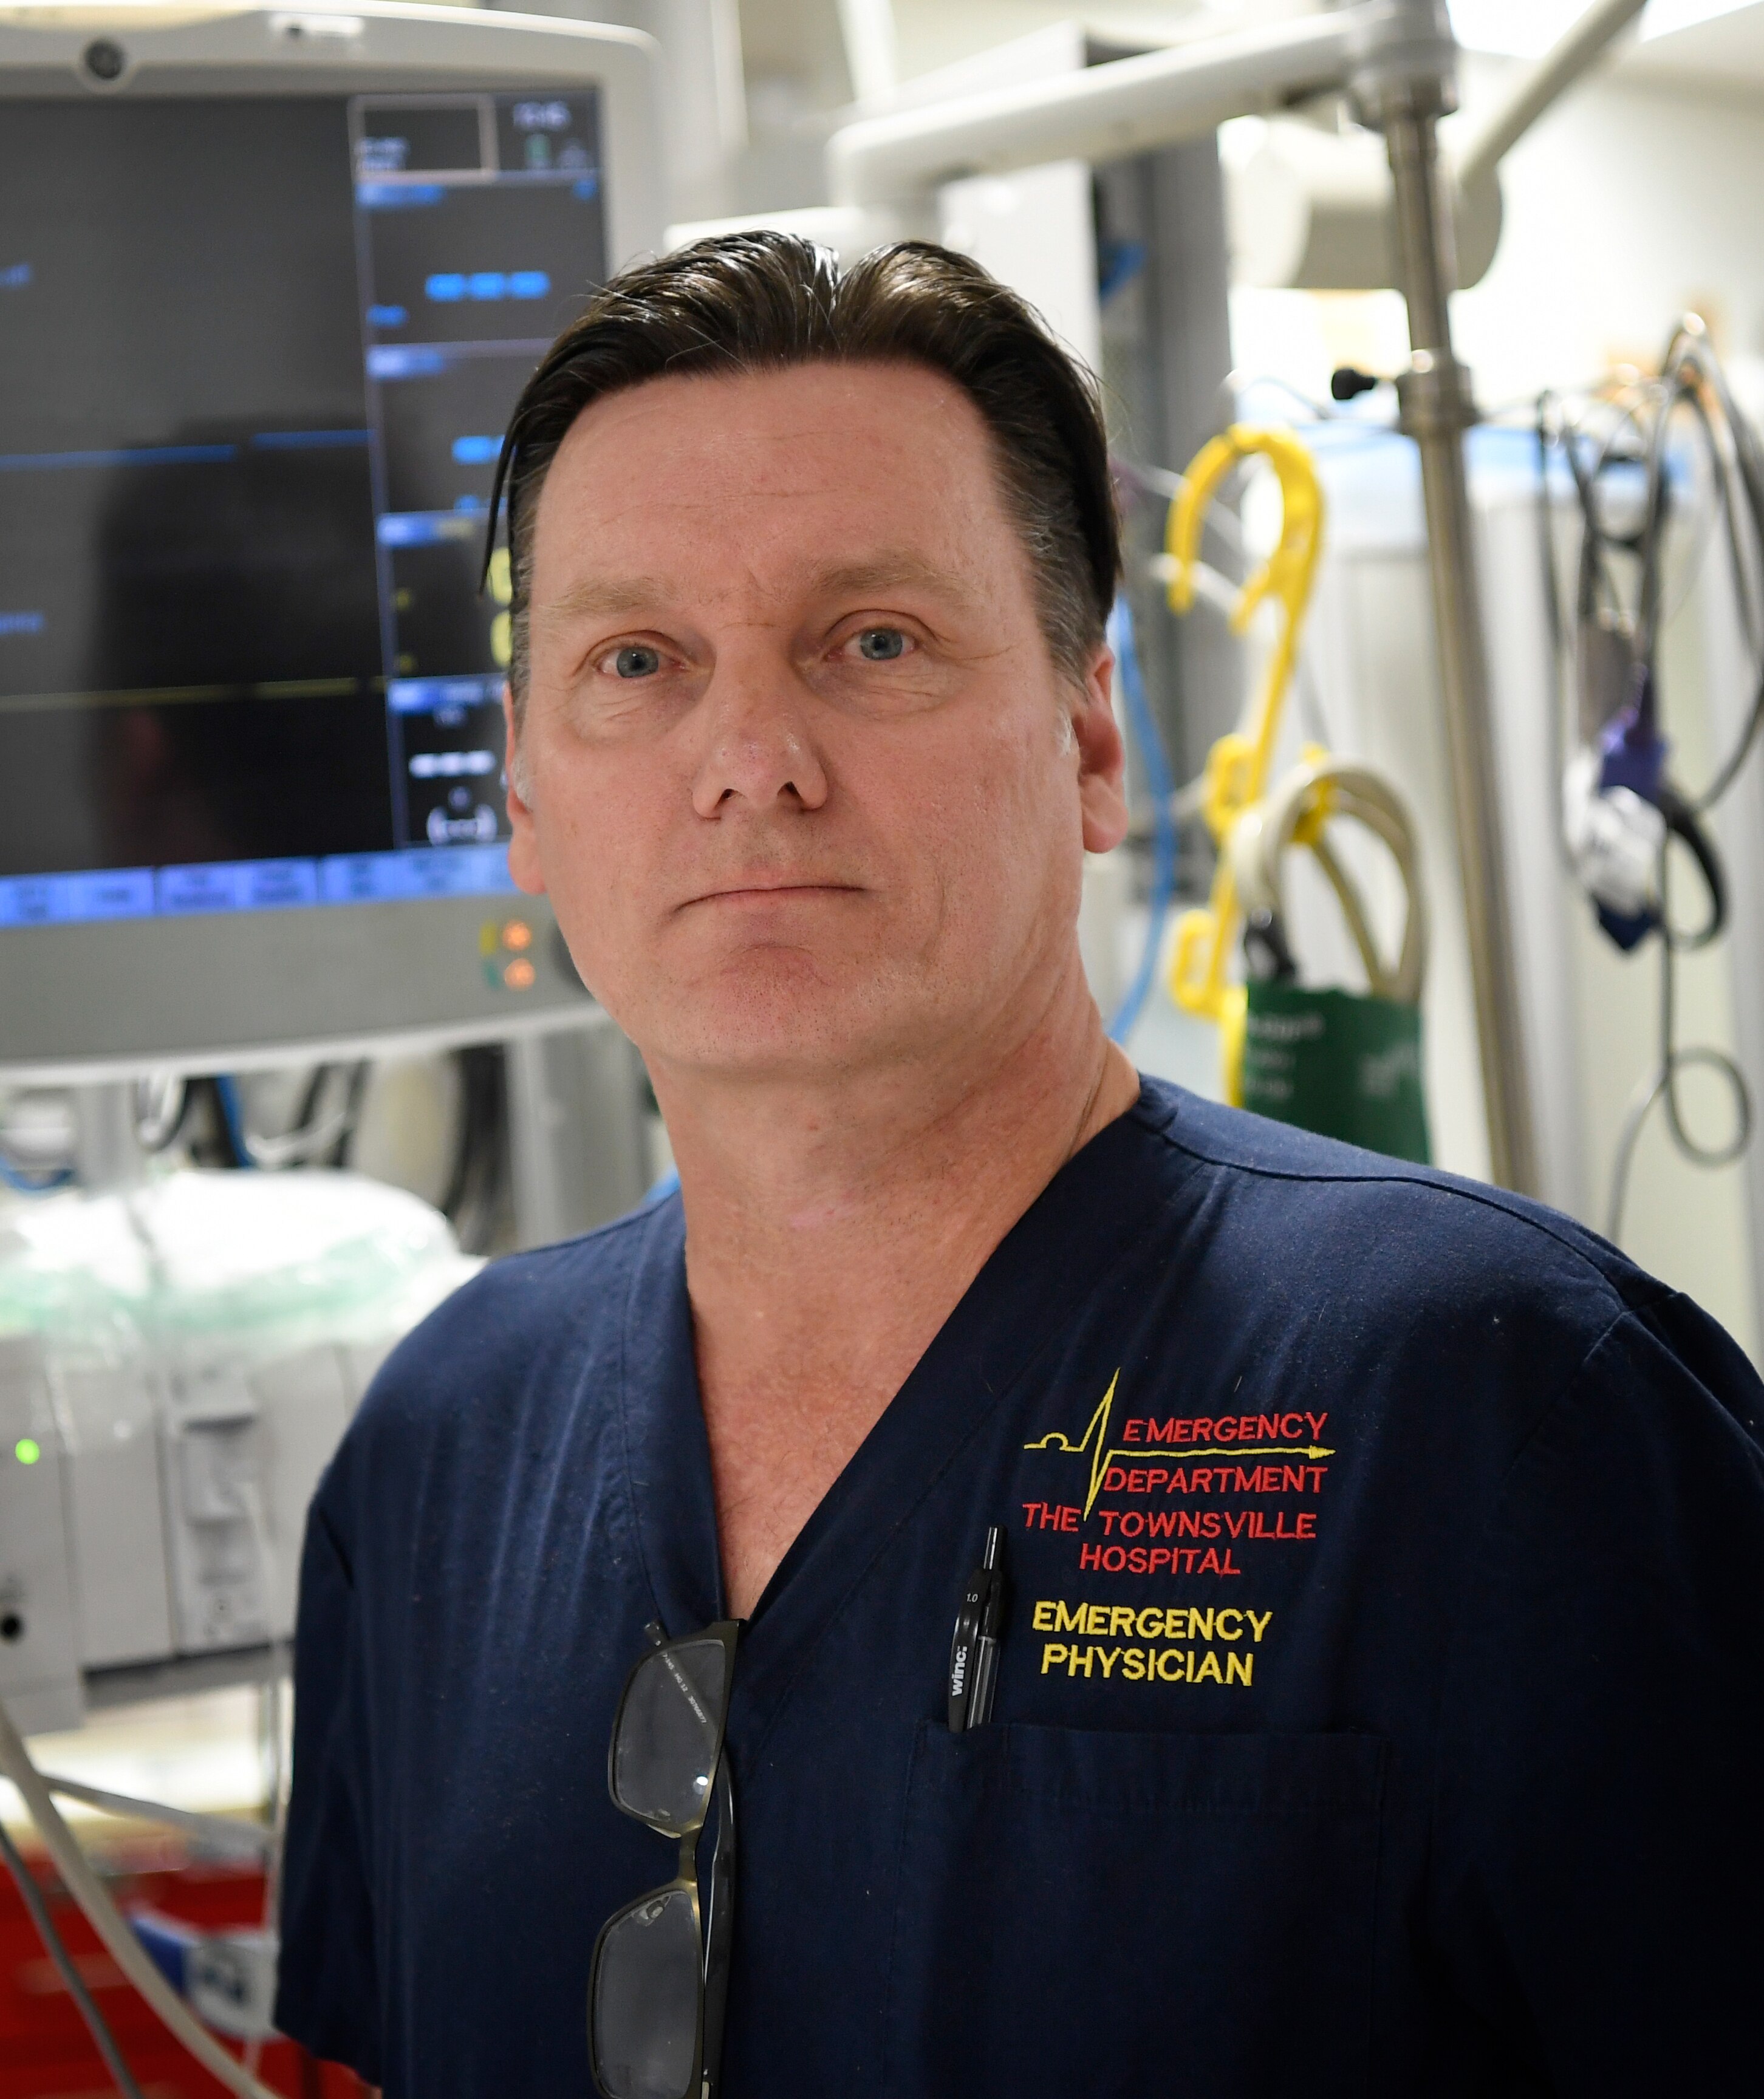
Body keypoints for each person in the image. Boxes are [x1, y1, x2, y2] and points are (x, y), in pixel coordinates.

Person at [275, 234, 1764, 2098]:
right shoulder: (442, 1451)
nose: (752, 758)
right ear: (522, 794)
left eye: (873, 642)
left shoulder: (1498, 1406)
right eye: (634, 660)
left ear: (1087, 737)